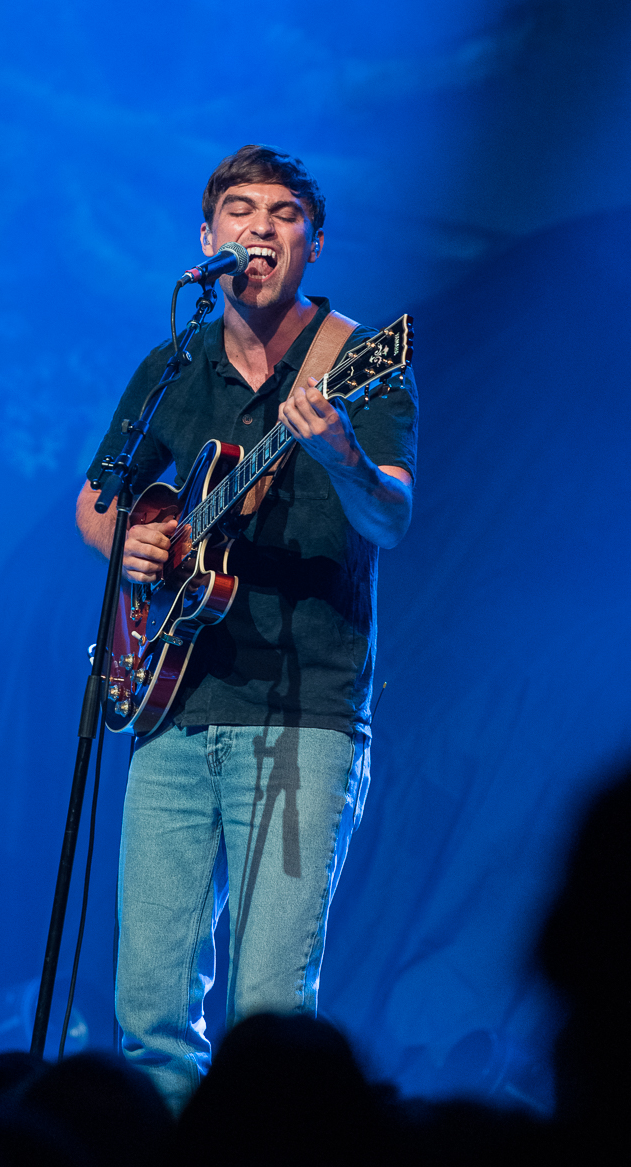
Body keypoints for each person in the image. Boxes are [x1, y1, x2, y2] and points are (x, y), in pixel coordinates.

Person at [76, 144, 418, 1113]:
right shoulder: (175, 363)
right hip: (173, 702)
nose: (259, 228)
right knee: (149, 1015)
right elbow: (96, 503)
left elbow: (391, 517)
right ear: (207, 237)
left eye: (282, 214)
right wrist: (136, 545)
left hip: (304, 709)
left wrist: (340, 453)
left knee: (267, 1015)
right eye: (239, 211)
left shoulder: (359, 360)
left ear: (313, 244)